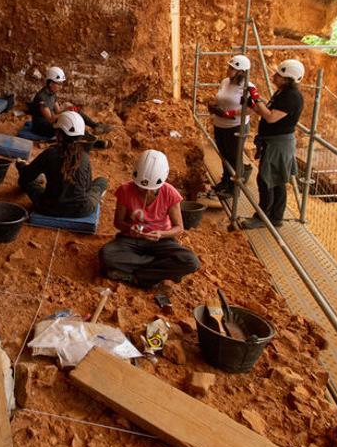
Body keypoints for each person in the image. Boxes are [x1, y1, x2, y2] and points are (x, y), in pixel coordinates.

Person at [99, 150, 200, 287]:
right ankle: (158, 270)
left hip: (161, 242)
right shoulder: (125, 190)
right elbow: (118, 222)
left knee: (191, 261)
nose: (145, 192)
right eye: (140, 187)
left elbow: (179, 228)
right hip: (131, 240)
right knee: (107, 255)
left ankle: (136, 276)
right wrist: (130, 228)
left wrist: (160, 234)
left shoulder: (170, 193)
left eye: (151, 189)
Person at [240, 59, 305, 229]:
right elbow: (267, 112)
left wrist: (257, 99)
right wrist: (254, 103)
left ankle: (263, 217)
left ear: (287, 78)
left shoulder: (291, 97)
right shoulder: (282, 93)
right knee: (275, 180)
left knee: (267, 180)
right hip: (275, 142)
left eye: (278, 74)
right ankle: (275, 217)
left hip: (279, 144)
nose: (274, 76)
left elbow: (270, 117)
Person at [17, 111, 108, 217]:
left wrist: (21, 166)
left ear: (58, 133)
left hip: (48, 208)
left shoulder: (49, 153)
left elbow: (25, 178)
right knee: (102, 181)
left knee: (28, 183)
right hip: (81, 210)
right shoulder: (84, 157)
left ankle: (28, 170)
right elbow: (87, 188)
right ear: (80, 136)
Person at [207, 55, 256, 197]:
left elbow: (251, 109)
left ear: (241, 72)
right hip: (220, 124)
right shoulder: (225, 82)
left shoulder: (248, 87)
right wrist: (214, 106)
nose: (229, 70)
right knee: (224, 154)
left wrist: (231, 113)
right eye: (230, 67)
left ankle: (234, 188)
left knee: (234, 157)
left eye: (232, 68)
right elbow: (221, 98)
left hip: (236, 126)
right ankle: (225, 181)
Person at [27, 66, 110, 139]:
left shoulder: (52, 93)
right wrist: (67, 112)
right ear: (51, 83)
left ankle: (95, 126)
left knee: (75, 111)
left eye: (61, 84)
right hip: (42, 128)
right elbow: (50, 119)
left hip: (52, 123)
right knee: (69, 125)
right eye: (58, 84)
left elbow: (58, 111)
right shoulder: (41, 97)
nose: (60, 86)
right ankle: (94, 140)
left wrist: (67, 108)